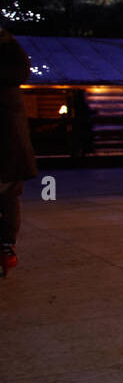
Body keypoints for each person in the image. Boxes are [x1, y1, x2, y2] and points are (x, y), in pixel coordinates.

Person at [0, 29, 38, 276]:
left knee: (9, 190)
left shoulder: (9, 48)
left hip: (7, 136)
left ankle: (5, 245)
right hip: (9, 132)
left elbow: (21, 71)